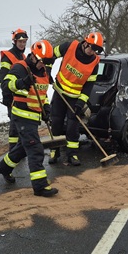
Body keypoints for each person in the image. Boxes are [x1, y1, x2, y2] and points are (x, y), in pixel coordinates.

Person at [0, 40, 58, 197]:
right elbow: (6, 85)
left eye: (46, 63)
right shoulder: (20, 68)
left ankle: (4, 167)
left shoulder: (43, 71)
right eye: (42, 62)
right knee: (35, 149)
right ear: (34, 57)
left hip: (34, 116)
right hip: (21, 115)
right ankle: (40, 186)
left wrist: (46, 109)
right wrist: (22, 82)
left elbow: (42, 94)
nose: (44, 66)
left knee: (23, 147)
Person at [48, 32, 103, 166]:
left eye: (96, 51)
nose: (92, 52)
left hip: (74, 98)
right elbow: (50, 55)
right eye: (92, 48)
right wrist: (47, 71)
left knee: (72, 126)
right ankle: (54, 151)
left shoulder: (94, 62)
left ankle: (72, 154)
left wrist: (81, 102)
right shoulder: (69, 46)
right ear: (85, 43)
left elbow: (89, 85)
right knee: (56, 122)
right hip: (60, 92)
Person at [0, 29, 28, 150]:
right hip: (11, 95)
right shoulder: (8, 57)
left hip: (21, 96)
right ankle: (13, 149)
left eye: (24, 41)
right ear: (15, 42)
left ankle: (19, 149)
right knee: (15, 124)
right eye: (20, 42)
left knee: (21, 124)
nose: (22, 44)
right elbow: (3, 77)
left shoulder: (23, 56)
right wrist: (6, 95)